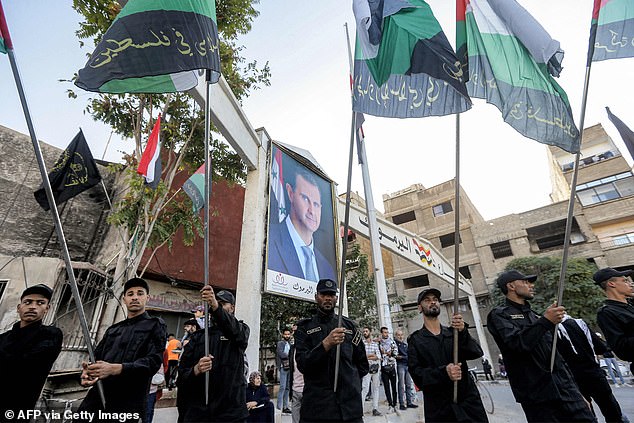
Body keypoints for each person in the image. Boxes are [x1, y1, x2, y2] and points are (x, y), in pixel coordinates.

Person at [487, 270, 594, 422]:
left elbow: (557, 357)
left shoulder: (535, 315)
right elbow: (518, 344)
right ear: (511, 286)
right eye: (525, 282)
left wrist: (578, 392)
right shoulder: (499, 315)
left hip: (567, 391)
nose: (531, 285)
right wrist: (545, 321)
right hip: (538, 396)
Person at [78, 277, 167, 422]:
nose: (135, 297)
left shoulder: (155, 325)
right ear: (124, 299)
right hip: (98, 398)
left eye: (140, 293)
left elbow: (153, 362)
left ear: (147, 298)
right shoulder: (114, 329)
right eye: (130, 294)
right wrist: (88, 373)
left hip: (129, 402)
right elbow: (96, 359)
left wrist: (116, 369)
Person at [408, 287, 488, 422]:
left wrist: (463, 331)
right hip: (439, 408)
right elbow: (417, 375)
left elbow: (476, 352)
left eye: (435, 300)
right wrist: (444, 372)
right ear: (419, 308)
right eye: (427, 300)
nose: (432, 302)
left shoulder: (454, 333)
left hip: (468, 403)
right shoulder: (415, 340)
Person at [294, 278, 368, 423]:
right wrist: (325, 344)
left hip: (349, 409)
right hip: (318, 409)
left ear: (336, 298)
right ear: (316, 297)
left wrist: (349, 383)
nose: (328, 298)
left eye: (331, 294)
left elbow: (362, 365)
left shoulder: (350, 326)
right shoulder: (305, 328)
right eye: (323, 294)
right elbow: (303, 364)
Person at [177, 287, 250, 422]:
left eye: (222, 304)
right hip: (199, 413)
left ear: (232, 308)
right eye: (211, 304)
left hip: (230, 413)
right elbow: (181, 376)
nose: (212, 307)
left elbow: (234, 330)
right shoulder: (198, 337)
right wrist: (196, 370)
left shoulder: (240, 331)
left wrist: (216, 306)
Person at [0, 284, 63, 417]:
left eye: (40, 303)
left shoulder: (51, 334)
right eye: (27, 302)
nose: (33, 306)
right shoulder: (3, 338)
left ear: (47, 308)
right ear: (19, 308)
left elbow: (25, 365)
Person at [267, 169, 336, 282]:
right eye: (305, 198)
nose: (312, 211)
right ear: (290, 193)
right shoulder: (269, 239)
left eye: (316, 204)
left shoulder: (326, 268)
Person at [556, 314, 627, 423]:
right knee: (610, 409)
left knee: (585, 413)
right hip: (594, 373)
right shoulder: (580, 324)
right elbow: (600, 347)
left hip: (573, 378)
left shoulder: (554, 330)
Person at [594, 267, 634, 374]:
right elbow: (622, 349)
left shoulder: (631, 305)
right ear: (612, 284)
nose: (630, 284)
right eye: (625, 281)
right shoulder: (606, 313)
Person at [360, 327, 382, 417]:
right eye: (364, 331)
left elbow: (379, 356)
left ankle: (375, 408)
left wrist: (369, 356)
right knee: (364, 388)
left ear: (370, 332)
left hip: (375, 368)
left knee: (376, 388)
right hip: (366, 368)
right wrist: (372, 355)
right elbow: (362, 356)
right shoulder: (362, 344)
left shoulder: (374, 344)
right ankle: (360, 410)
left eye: (366, 331)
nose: (365, 333)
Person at [394, 329, 417, 411]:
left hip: (407, 365)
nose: (400, 336)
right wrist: (404, 357)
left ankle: (409, 402)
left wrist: (403, 357)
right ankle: (401, 404)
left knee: (408, 384)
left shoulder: (405, 345)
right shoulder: (395, 344)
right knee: (401, 385)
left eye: (401, 335)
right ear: (396, 336)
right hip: (400, 365)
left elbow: (409, 356)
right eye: (398, 335)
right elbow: (397, 356)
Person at [379, 326, 399, 413]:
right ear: (381, 333)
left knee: (394, 387)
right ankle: (390, 405)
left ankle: (395, 404)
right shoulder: (379, 343)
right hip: (383, 368)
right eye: (384, 332)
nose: (386, 334)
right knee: (386, 388)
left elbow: (395, 353)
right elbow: (378, 354)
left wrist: (389, 354)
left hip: (391, 367)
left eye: (387, 332)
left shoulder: (392, 342)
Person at [276, 328, 292, 414]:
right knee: (282, 387)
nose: (287, 336)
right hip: (283, 367)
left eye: (288, 334)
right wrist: (289, 356)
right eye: (285, 334)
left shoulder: (290, 343)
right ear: (283, 335)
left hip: (290, 367)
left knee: (287, 388)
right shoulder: (280, 343)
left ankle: (286, 407)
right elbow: (281, 354)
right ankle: (279, 407)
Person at [289, 340, 305, 423]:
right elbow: (291, 370)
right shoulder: (292, 349)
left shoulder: (309, 347)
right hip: (295, 389)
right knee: (295, 419)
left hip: (307, 390)